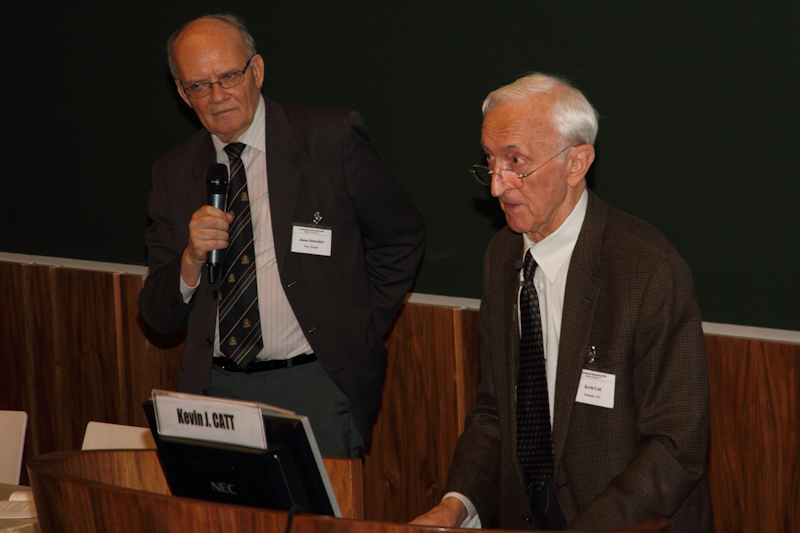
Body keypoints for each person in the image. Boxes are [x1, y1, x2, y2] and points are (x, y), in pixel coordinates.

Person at [411, 73, 713, 531]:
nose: (497, 186)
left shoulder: (649, 270)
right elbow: (496, 412)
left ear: (576, 163)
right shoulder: (502, 256)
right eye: (490, 161)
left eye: (516, 162)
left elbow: (676, 447)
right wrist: (456, 504)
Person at [138, 14, 425, 458]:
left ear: (256, 71)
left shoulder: (329, 139)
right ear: (182, 93)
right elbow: (158, 315)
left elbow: (400, 239)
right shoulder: (173, 173)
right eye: (199, 85)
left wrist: (356, 325)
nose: (217, 96)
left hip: (315, 383)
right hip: (214, 389)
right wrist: (190, 259)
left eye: (228, 77)